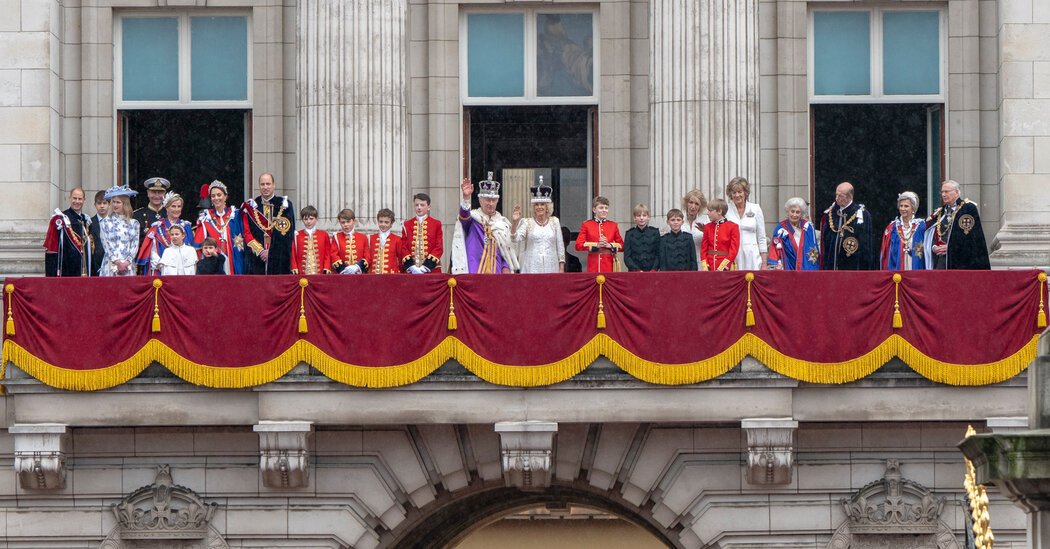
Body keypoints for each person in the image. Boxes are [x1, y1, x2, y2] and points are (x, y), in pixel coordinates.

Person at [451, 173, 518, 274]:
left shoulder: (503, 223)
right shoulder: (473, 218)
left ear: (497, 201)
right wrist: (466, 198)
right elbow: (464, 216)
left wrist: (506, 267)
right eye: (487, 200)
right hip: (474, 269)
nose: (490, 203)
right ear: (480, 200)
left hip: (496, 271)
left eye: (493, 200)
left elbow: (506, 250)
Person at [923, 180, 991, 270]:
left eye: (946, 191)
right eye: (942, 192)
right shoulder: (940, 213)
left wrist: (950, 247)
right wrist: (934, 247)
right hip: (941, 262)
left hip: (961, 262)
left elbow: (972, 237)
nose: (943, 195)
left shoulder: (968, 208)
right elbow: (931, 235)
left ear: (957, 192)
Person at [242, 172, 295, 275]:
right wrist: (261, 251)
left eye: (268, 184)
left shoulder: (285, 205)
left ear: (274, 185)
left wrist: (271, 253)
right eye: (262, 184)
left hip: (279, 259)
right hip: (257, 259)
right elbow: (247, 233)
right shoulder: (252, 207)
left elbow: (287, 235)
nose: (265, 187)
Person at [511, 178, 565, 273]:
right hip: (531, 268)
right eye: (536, 205)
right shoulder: (527, 222)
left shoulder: (554, 222)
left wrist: (561, 268)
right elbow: (515, 239)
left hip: (551, 267)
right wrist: (515, 223)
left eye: (542, 204)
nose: (539, 207)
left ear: (547, 207)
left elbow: (560, 246)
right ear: (533, 207)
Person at [194, 180, 247, 274]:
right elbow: (199, 245)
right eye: (213, 196)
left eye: (219, 195)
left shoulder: (235, 215)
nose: (216, 198)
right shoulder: (206, 217)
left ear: (225, 196)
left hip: (234, 260)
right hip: (214, 264)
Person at [137, 192, 196, 276]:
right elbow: (153, 252)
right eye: (173, 206)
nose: (176, 209)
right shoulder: (157, 227)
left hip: (184, 271)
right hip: (163, 271)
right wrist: (163, 266)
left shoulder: (186, 227)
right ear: (167, 208)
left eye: (179, 206)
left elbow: (191, 250)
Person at [819, 181, 874, 270]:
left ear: (849, 197)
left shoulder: (862, 214)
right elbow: (825, 241)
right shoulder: (830, 213)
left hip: (853, 265)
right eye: (836, 195)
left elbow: (866, 244)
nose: (837, 198)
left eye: (840, 196)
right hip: (832, 265)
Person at [43, 187, 93, 277]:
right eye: (74, 198)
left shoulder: (86, 221)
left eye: (80, 199)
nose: (77, 201)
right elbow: (51, 249)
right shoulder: (59, 220)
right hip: (66, 272)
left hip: (83, 273)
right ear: (69, 198)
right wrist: (51, 278)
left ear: (84, 200)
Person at [724, 177, 767, 270]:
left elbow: (762, 237)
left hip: (752, 256)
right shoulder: (725, 210)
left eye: (740, 192)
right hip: (732, 256)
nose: (737, 195)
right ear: (730, 194)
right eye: (734, 192)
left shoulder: (755, 208)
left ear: (745, 192)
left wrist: (764, 263)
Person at [99, 185, 141, 276]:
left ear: (125, 204)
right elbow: (106, 244)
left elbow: (135, 245)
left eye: (118, 202)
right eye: (113, 202)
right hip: (110, 264)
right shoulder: (105, 222)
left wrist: (126, 262)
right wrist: (117, 262)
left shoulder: (134, 223)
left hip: (128, 266)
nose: (115, 205)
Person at [768, 198, 820, 271]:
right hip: (787, 266)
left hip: (805, 268)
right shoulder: (781, 228)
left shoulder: (808, 227)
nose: (794, 215)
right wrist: (776, 264)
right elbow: (774, 248)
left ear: (801, 214)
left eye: (798, 212)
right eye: (792, 211)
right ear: (787, 212)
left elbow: (813, 248)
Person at [880, 191, 927, 271]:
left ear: (913, 208)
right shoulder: (892, 227)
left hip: (916, 269)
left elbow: (926, 250)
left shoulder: (921, 226)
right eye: (901, 206)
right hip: (896, 270)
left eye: (906, 206)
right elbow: (886, 252)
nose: (902, 209)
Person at [576, 196, 623, 273]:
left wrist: (610, 245)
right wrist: (596, 245)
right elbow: (578, 245)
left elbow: (622, 245)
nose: (604, 210)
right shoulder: (587, 225)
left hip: (609, 265)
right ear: (594, 210)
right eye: (601, 208)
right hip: (593, 265)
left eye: (606, 208)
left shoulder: (613, 225)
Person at [400, 193, 444, 274]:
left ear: (429, 207)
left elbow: (439, 247)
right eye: (416, 205)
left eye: (422, 205)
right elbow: (403, 247)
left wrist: (426, 267)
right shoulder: (407, 224)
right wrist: (411, 266)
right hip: (411, 271)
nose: (419, 207)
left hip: (432, 269)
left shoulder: (436, 224)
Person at [291, 206, 333, 275]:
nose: (308, 222)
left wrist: (327, 267)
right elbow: (293, 253)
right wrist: (294, 267)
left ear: (316, 219)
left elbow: (327, 253)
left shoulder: (324, 234)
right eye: (305, 219)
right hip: (302, 273)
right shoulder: (297, 235)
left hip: (320, 273)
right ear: (302, 220)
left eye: (311, 219)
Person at [700, 199, 739, 271]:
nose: (708, 213)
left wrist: (723, 266)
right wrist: (705, 265)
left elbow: (734, 250)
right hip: (710, 266)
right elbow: (704, 249)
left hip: (726, 266)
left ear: (719, 211)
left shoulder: (733, 227)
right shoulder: (707, 227)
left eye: (710, 211)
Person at [331, 208, 370, 275]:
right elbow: (333, 255)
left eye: (348, 221)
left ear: (354, 221)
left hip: (359, 275)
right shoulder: (336, 237)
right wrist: (344, 269)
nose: (346, 224)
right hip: (342, 275)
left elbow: (367, 256)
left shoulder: (363, 237)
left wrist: (357, 267)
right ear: (340, 223)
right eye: (343, 222)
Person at [624, 203, 661, 272]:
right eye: (638, 215)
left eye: (644, 215)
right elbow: (627, 257)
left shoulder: (655, 232)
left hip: (652, 272)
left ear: (648, 217)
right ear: (634, 218)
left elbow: (658, 254)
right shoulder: (629, 234)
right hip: (634, 272)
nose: (641, 218)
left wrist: (654, 269)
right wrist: (637, 270)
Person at [132, 177, 169, 242]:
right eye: (153, 192)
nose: (157, 196)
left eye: (160, 192)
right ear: (148, 193)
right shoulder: (137, 215)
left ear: (165, 194)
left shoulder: (169, 213)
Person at [681, 189, 708, 270]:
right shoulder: (678, 219)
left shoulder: (706, 220)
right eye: (691, 202)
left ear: (700, 207)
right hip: (682, 263)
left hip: (701, 263)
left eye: (697, 204)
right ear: (686, 203)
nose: (693, 207)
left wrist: (705, 231)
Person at [369, 208, 402, 275]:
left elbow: (401, 260)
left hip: (391, 277)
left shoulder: (397, 239)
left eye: (386, 222)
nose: (383, 224)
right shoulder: (371, 238)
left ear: (391, 223)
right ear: (377, 221)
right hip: (373, 276)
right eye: (381, 222)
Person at [89, 190, 108, 277]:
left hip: (111, 265)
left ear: (109, 204)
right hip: (95, 266)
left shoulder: (115, 223)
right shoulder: (89, 223)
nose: (102, 206)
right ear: (95, 205)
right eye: (99, 203)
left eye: (104, 203)